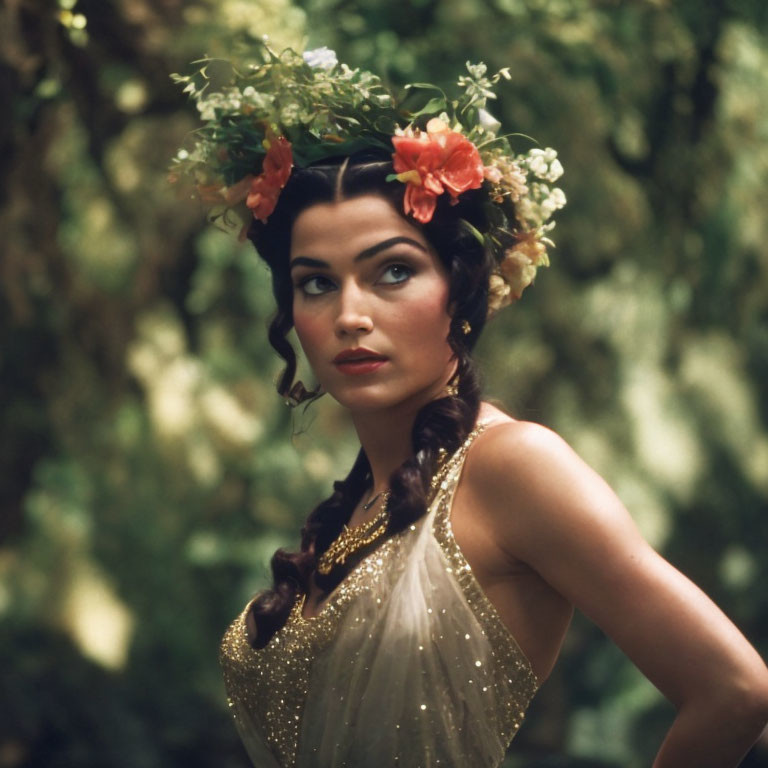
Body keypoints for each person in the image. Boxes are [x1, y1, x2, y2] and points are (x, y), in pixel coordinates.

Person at [172, 44, 768, 767]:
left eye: (392, 271)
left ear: (460, 291)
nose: (349, 315)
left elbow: (735, 689)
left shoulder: (514, 467)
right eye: (317, 283)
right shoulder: (363, 499)